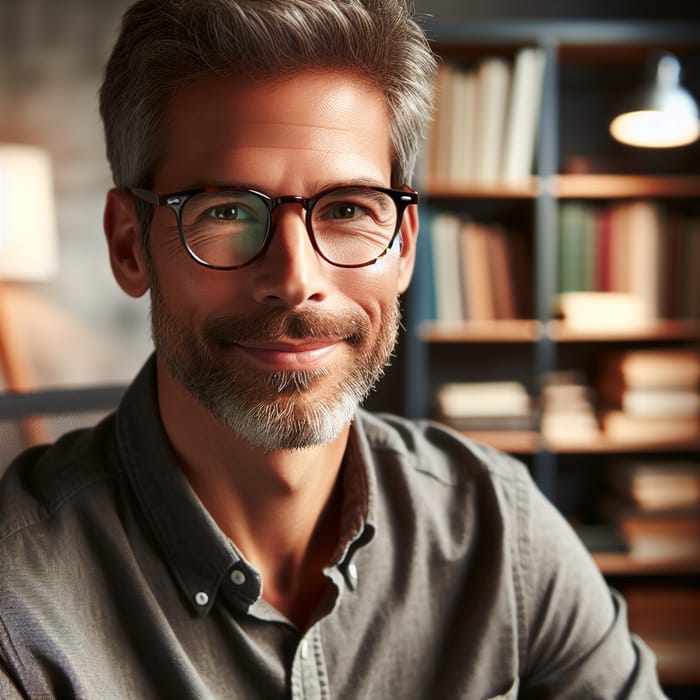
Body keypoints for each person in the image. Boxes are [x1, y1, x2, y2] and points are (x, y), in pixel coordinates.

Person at [0, 1, 666, 698]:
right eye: (226, 211)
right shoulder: (18, 603)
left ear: (404, 247)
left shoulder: (504, 535)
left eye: (348, 208)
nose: (295, 282)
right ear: (129, 245)